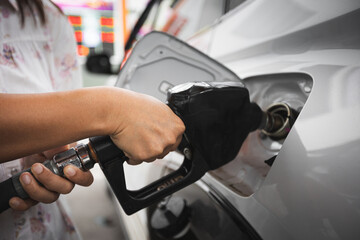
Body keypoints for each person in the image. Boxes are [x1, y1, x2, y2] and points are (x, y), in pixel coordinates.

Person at [0, 0, 185, 239]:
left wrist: (36, 149)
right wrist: (110, 109)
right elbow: (82, 115)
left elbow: (57, 128)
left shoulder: (46, 18)